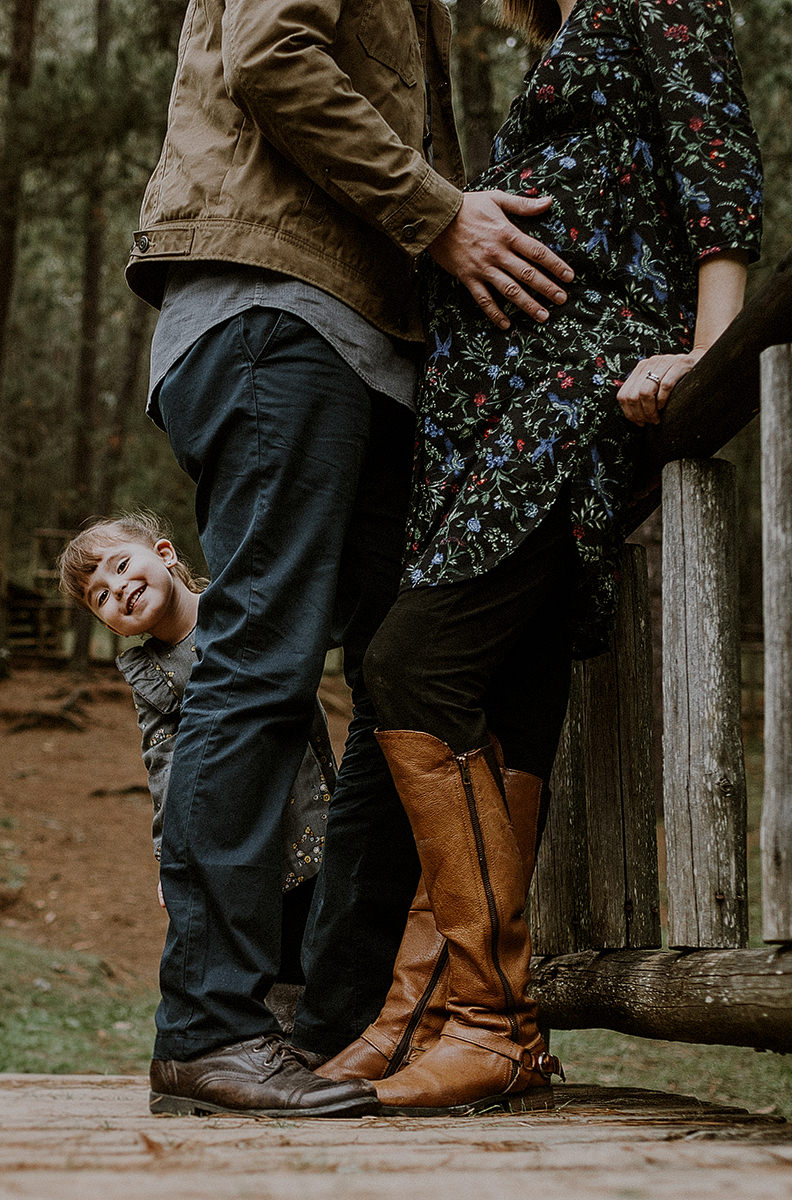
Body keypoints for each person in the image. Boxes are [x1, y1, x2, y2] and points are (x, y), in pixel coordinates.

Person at [125, 1, 575, 1117]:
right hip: (275, 313)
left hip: (363, 340)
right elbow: (271, 51)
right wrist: (443, 216)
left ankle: (333, 1029)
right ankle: (208, 1030)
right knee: (260, 661)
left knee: (400, 677)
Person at [318, 0, 761, 1116]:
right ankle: (423, 1014)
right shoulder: (564, 29)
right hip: (492, 414)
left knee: (410, 666)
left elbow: (718, 174)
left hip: (567, 394)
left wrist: (704, 359)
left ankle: (490, 1021)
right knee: (506, 705)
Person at [56, 514, 336, 1032]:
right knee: (274, 941)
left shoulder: (240, 609)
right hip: (242, 833)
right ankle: (285, 1043)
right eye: (101, 597)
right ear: (108, 624)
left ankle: (347, 1032)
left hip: (310, 797)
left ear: (164, 554)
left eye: (122, 565)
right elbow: (164, 767)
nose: (119, 589)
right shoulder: (152, 676)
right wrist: (172, 858)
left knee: (333, 923)